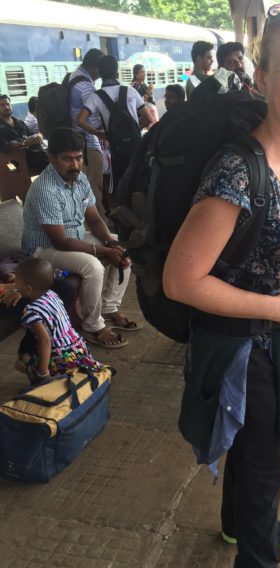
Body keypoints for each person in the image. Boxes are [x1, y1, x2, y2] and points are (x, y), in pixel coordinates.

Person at [163, 4, 280, 568]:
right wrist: (277, 305)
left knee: (252, 445)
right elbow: (181, 279)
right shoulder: (238, 171)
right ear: (261, 77)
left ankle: (240, 525)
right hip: (243, 345)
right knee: (265, 462)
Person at [22, 128, 141, 349]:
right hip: (43, 248)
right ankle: (93, 326)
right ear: (52, 158)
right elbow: (60, 242)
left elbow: (95, 220)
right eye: (67, 159)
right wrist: (105, 251)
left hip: (73, 237)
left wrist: (111, 243)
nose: (74, 164)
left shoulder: (80, 179)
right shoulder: (45, 190)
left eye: (78, 157)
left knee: (122, 246)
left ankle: (109, 307)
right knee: (93, 267)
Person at [10, 257, 108, 384]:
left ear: (28, 289)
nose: (15, 285)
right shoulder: (53, 294)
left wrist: (43, 372)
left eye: (16, 282)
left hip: (61, 358)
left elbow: (45, 341)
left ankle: (41, 385)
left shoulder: (31, 311)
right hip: (78, 349)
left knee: (26, 359)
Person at [77, 55, 151, 189]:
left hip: (117, 150)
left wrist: (100, 134)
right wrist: (133, 129)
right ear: (117, 73)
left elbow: (80, 120)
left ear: (99, 73)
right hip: (136, 146)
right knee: (140, 184)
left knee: (121, 186)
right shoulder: (130, 90)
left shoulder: (96, 96)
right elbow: (148, 118)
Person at [68, 48, 108, 222]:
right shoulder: (86, 86)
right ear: (95, 67)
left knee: (82, 185)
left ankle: (87, 220)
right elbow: (89, 118)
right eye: (100, 69)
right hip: (88, 144)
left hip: (76, 140)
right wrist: (103, 133)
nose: (100, 73)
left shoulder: (73, 76)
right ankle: (100, 223)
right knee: (93, 186)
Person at [0, 94, 47, 174]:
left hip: (32, 155)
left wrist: (39, 135)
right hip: (14, 162)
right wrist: (23, 143)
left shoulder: (19, 123)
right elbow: (5, 146)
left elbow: (32, 134)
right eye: (2, 105)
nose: (6, 107)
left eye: (8, 104)